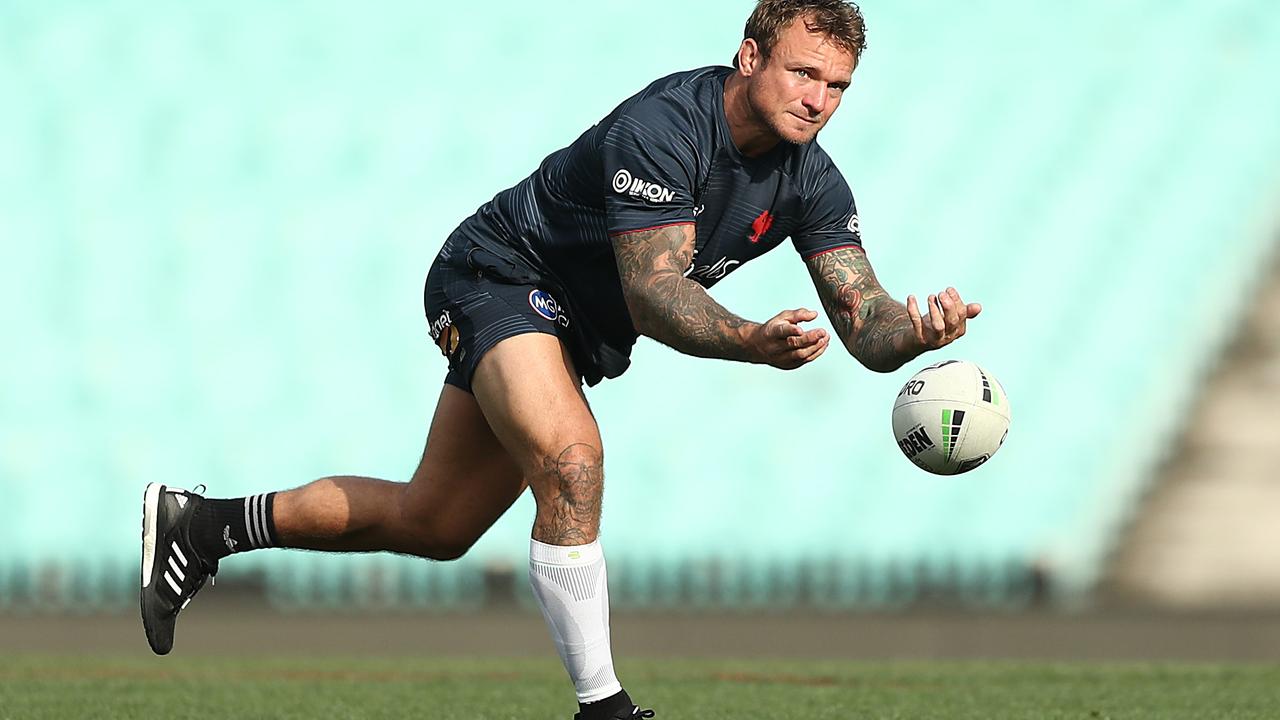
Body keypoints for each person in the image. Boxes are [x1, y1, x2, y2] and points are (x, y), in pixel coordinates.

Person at [139, 1, 981, 717]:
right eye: (803, 73)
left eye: (837, 87)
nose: (819, 100)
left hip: (564, 328)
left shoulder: (812, 182)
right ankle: (606, 708)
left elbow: (867, 324)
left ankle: (204, 525)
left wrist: (919, 333)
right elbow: (655, 293)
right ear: (750, 54)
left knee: (437, 525)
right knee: (574, 462)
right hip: (495, 274)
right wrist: (753, 344)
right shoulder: (665, 128)